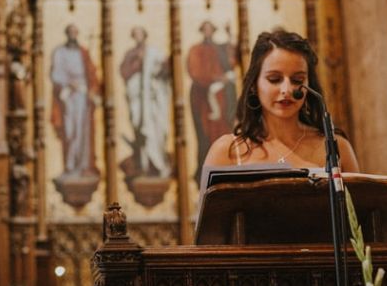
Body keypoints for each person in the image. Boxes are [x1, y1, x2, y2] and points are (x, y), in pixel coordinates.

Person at [203, 29, 359, 173]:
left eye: (297, 80)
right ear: (253, 85)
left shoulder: (336, 147)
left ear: (309, 84)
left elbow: (361, 203)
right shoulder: (227, 152)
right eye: (274, 79)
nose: (287, 89)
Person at [186, 21, 238, 181]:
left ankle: (225, 166)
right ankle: (205, 168)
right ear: (202, 31)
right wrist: (215, 78)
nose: (208, 32)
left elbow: (231, 61)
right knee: (205, 134)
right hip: (203, 98)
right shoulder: (196, 49)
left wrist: (230, 35)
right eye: (205, 29)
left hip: (222, 98)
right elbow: (194, 71)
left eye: (210, 29)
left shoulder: (220, 48)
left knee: (223, 132)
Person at [119, 26, 171, 178]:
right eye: (134, 35)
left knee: (155, 131)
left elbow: (164, 71)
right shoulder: (130, 54)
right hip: (137, 99)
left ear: (145, 36)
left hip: (153, 101)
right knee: (139, 128)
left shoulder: (154, 53)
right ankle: (144, 165)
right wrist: (136, 62)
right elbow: (124, 72)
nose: (137, 37)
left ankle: (158, 163)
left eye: (140, 34)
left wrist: (159, 71)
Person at [50, 24, 99, 176]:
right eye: (70, 32)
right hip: (68, 95)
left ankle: (83, 164)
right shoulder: (59, 52)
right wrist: (69, 83)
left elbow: (92, 73)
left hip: (82, 95)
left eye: (75, 32)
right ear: (67, 34)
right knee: (69, 130)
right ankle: (70, 165)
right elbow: (56, 74)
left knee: (82, 130)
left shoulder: (83, 52)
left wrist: (91, 88)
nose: (73, 35)